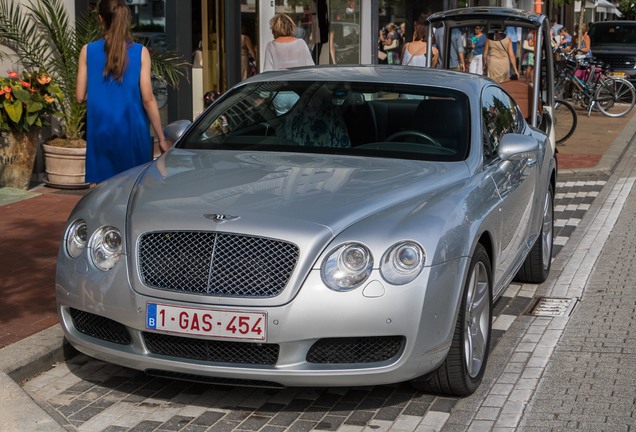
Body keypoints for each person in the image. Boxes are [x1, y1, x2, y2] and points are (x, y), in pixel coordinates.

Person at [75, 0, 168, 185]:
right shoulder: (140, 52)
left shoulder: (87, 51)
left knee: (102, 197)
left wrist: (101, 96)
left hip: (101, 134)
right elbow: (148, 100)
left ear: (101, 19)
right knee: (134, 193)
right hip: (134, 134)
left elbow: (79, 97)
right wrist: (162, 139)